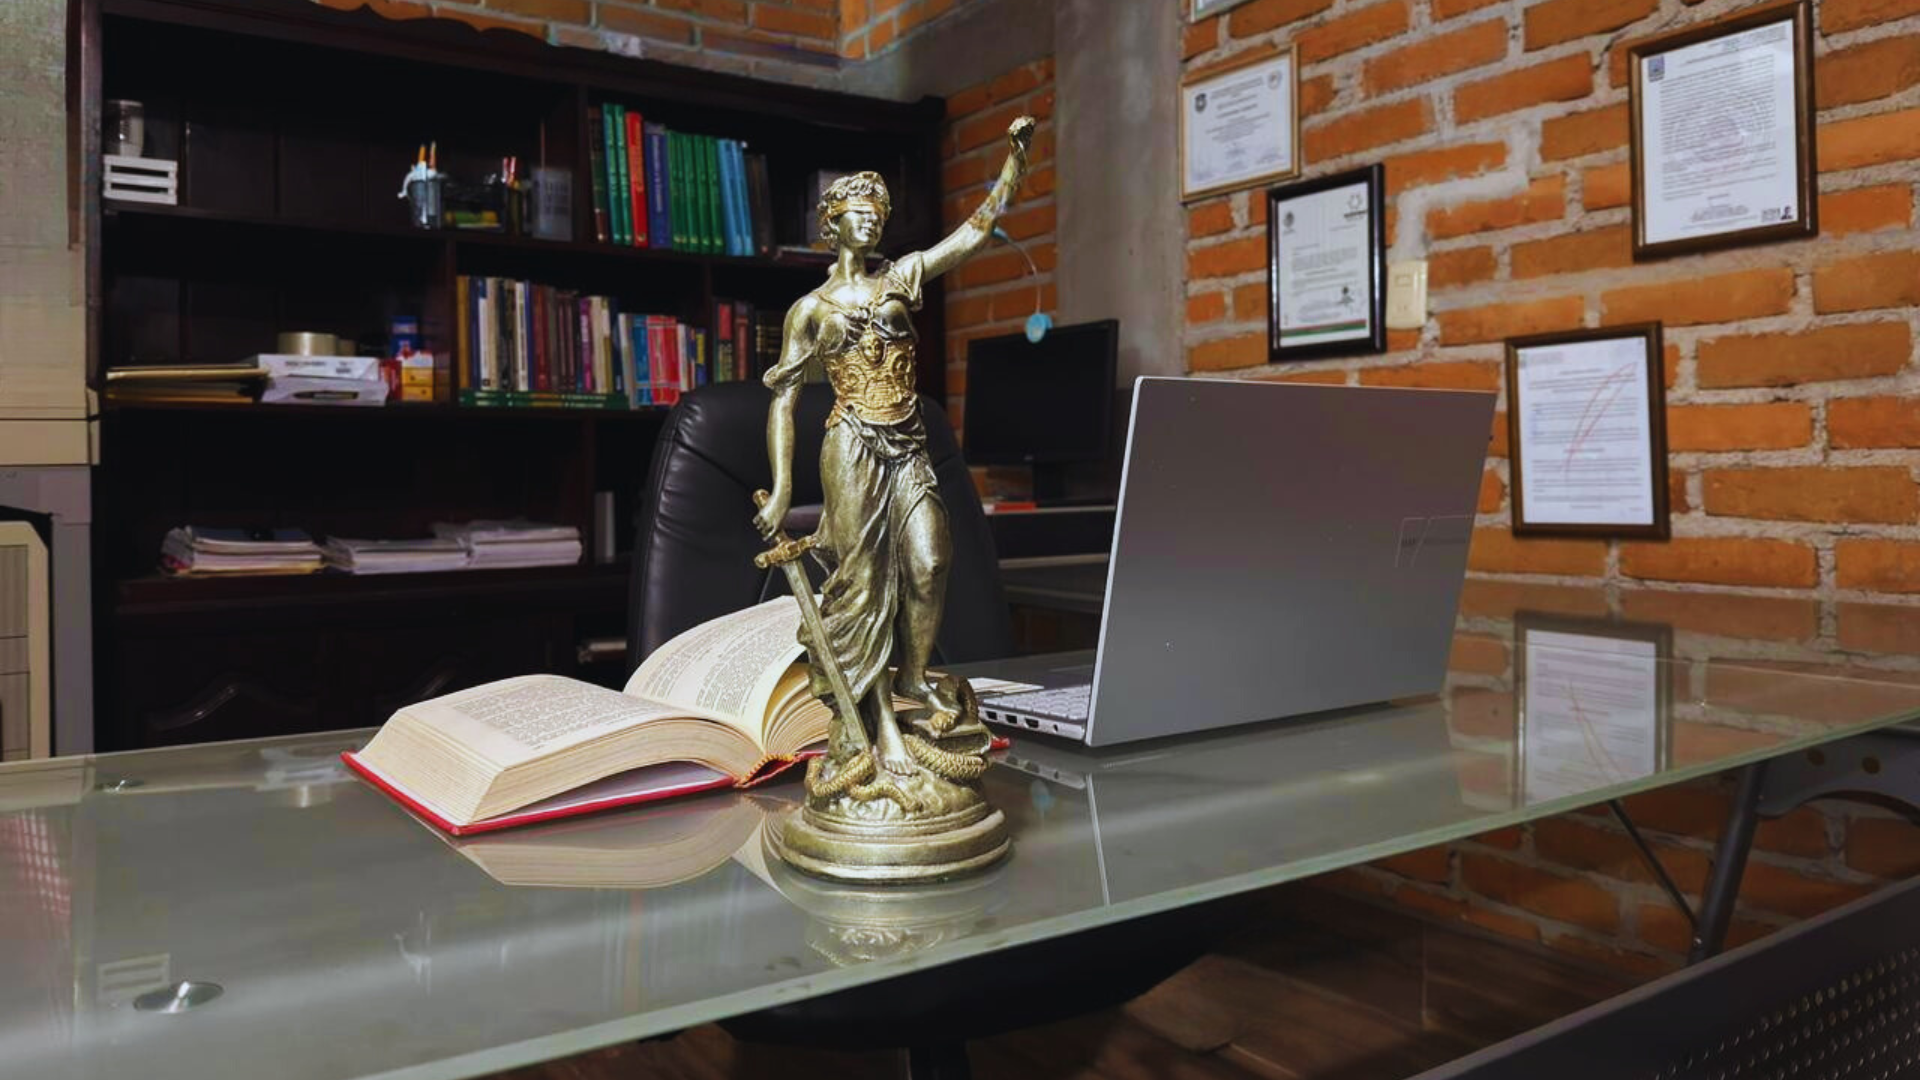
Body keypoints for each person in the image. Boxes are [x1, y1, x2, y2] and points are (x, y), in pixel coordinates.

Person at [755, 116, 1035, 779]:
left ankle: (912, 680)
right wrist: (786, 489)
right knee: (863, 585)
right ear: (834, 223)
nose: (870, 225)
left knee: (931, 559)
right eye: (858, 214)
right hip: (850, 447)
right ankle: (874, 725)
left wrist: (1013, 167)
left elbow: (969, 237)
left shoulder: (901, 278)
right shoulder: (811, 310)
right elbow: (784, 399)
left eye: (878, 215)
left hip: (908, 443)